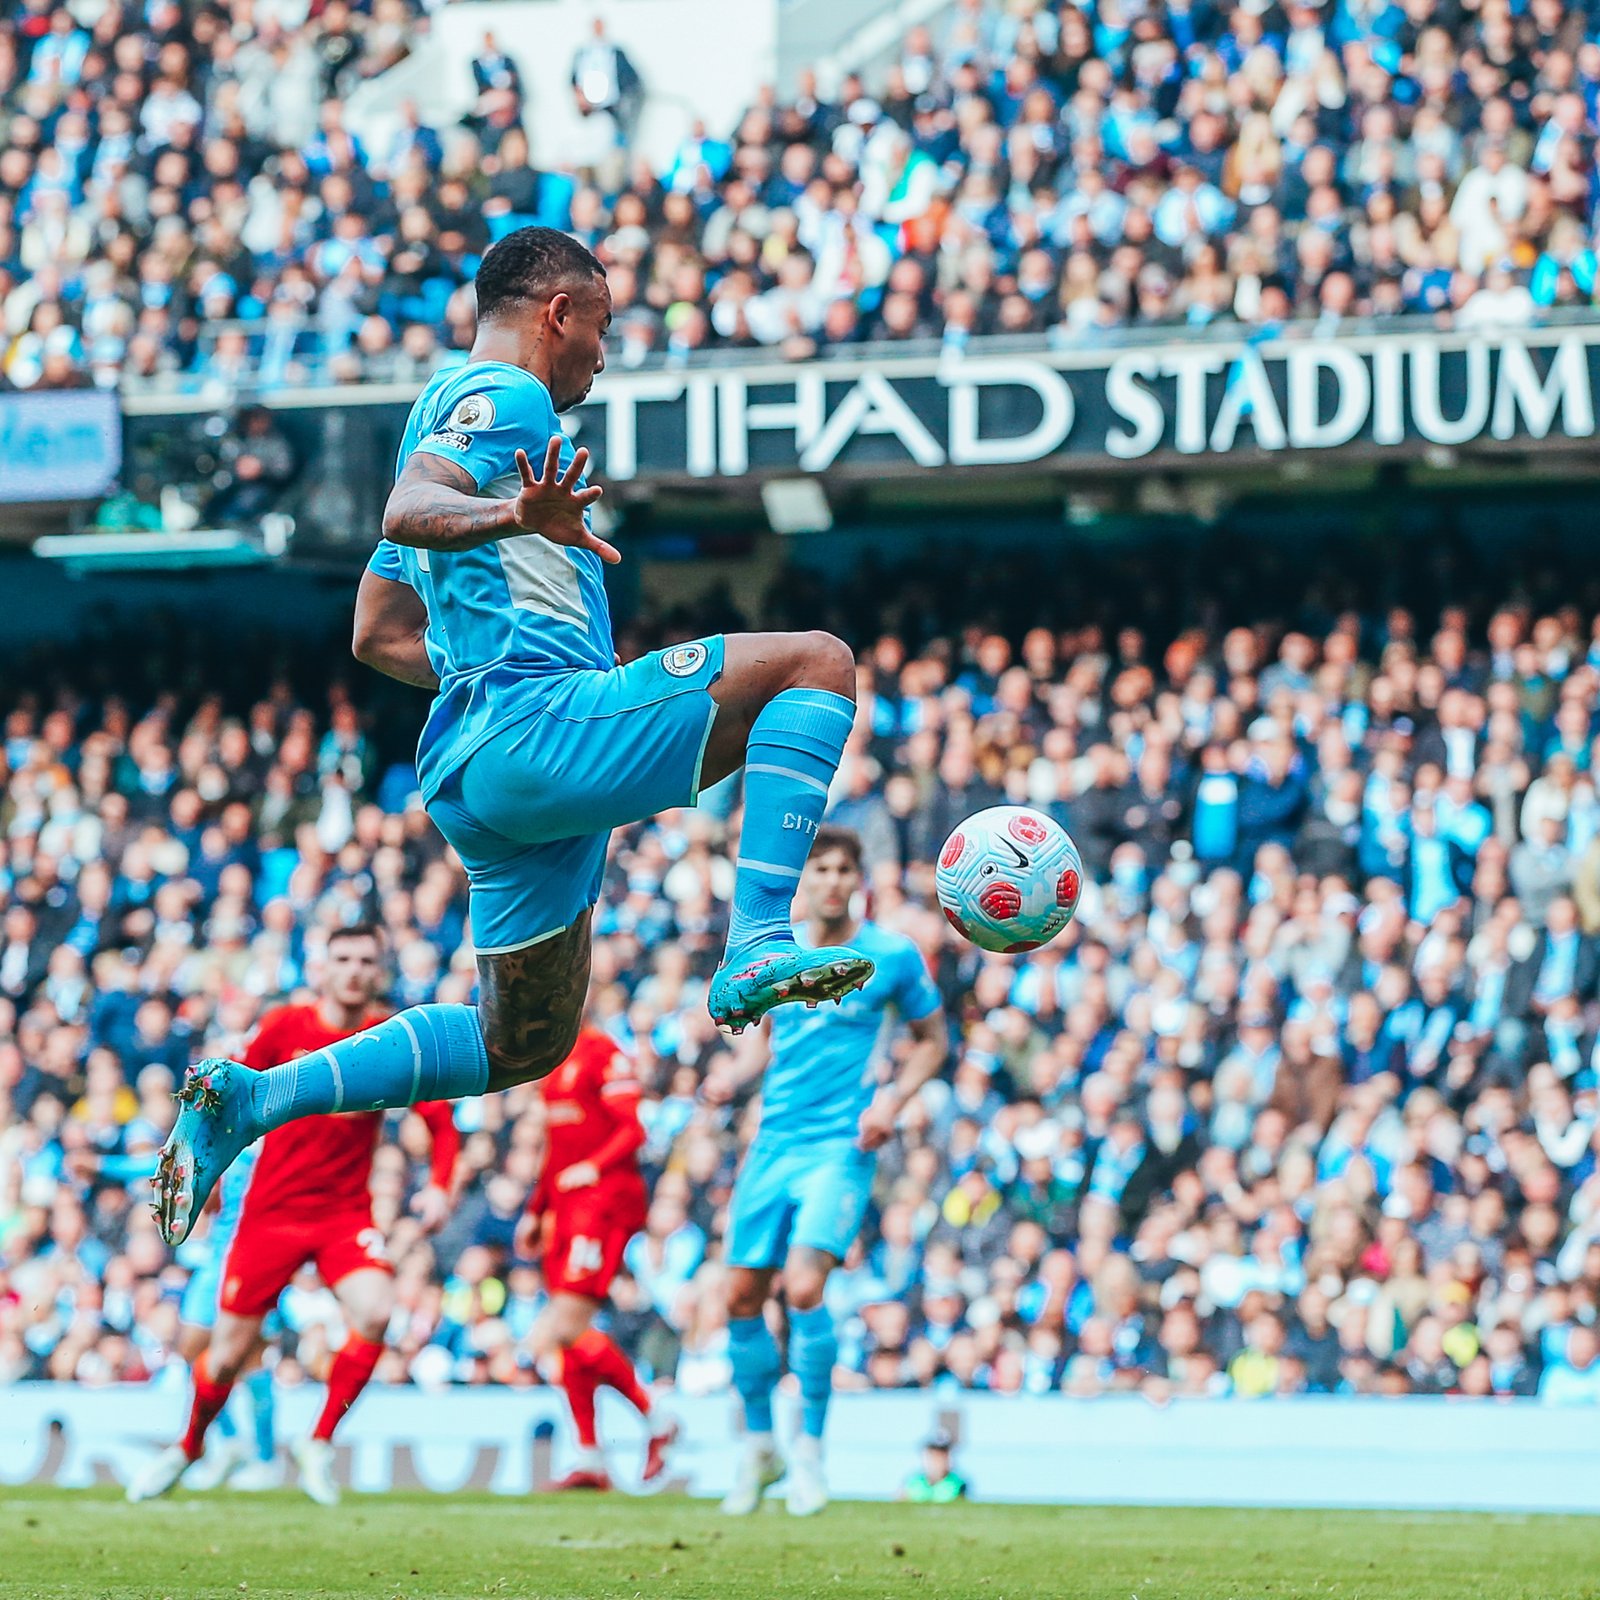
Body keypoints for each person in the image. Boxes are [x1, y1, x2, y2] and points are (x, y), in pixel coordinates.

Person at [151, 226, 873, 1248]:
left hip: (486, 766)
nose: (605, 354)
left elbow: (376, 630)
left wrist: (486, 639)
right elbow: (410, 509)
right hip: (538, 729)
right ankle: (756, 939)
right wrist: (515, 523)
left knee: (519, 1041)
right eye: (604, 328)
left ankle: (253, 1101)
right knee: (817, 664)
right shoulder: (510, 400)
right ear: (558, 312)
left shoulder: (433, 416)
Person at [129, 925, 459, 1505]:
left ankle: (319, 1442)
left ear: (378, 970)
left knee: (378, 1312)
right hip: (270, 1215)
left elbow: (438, 1118)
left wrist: (439, 1183)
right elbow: (229, 1100)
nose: (354, 970)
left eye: (365, 959)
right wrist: (203, 1176)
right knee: (226, 1354)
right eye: (343, 959)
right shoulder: (285, 1027)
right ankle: (189, 1446)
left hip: (343, 1214)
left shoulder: (387, 1037)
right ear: (323, 968)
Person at [715, 827, 947, 1516]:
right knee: (739, 1299)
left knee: (807, 1289)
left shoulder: (890, 955)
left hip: (842, 1144)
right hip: (774, 1141)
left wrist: (894, 1100)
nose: (834, 880)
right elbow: (761, 1048)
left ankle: (809, 1451)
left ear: (858, 879)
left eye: (845, 868)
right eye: (822, 868)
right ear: (804, 879)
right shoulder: (774, 955)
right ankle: (760, 1449)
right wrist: (728, 1081)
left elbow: (934, 1042)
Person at [515, 1021, 675, 1490]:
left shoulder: (603, 1051)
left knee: (561, 1329)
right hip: (564, 1207)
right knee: (571, 1339)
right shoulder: (550, 1055)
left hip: (601, 1202)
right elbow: (556, 1148)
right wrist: (536, 1207)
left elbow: (634, 1130)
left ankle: (656, 1418)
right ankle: (590, 1457)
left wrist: (593, 1167)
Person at [900, 1428, 969, 1503]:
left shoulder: (958, 1485)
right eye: (934, 1454)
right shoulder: (913, 1483)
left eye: (942, 1455)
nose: (938, 1460)